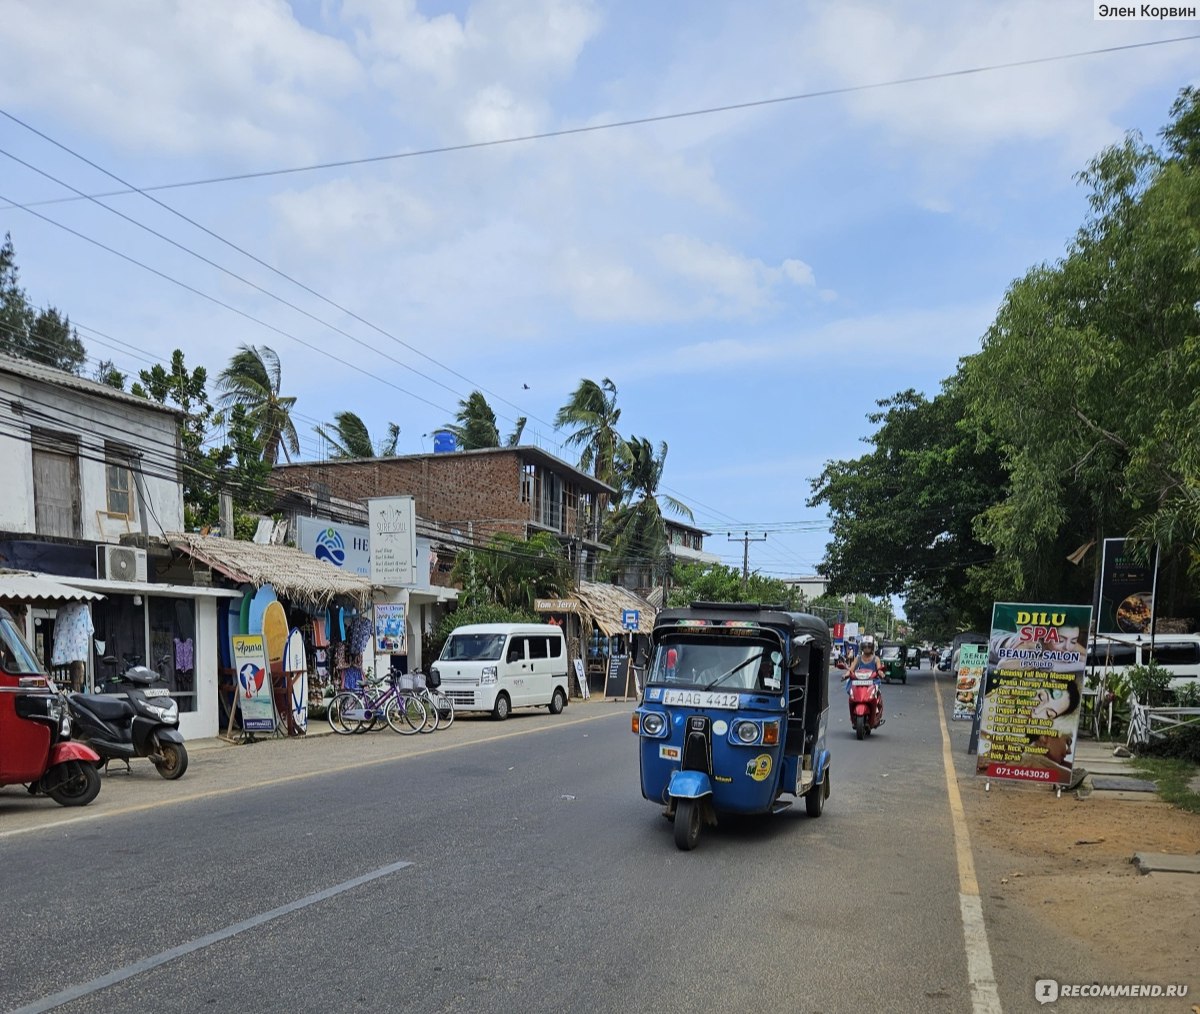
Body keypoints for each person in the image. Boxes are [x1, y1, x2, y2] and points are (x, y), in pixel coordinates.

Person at [843, 635, 885, 723]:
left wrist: (881, 673)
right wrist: (846, 675)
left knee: (876, 695)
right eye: (865, 646)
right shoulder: (858, 658)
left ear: (873, 647)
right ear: (862, 647)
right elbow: (851, 669)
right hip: (859, 681)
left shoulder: (876, 659)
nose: (867, 648)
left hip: (872, 682)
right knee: (852, 695)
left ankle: (876, 711)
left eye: (869, 646)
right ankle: (853, 715)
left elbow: (879, 669)